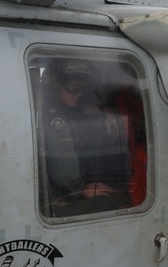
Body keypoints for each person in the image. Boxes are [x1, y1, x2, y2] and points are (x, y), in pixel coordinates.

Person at [39, 58, 131, 217]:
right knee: (126, 200)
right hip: (56, 201)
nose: (79, 94)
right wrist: (80, 190)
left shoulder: (54, 107)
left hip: (55, 192)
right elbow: (63, 164)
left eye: (82, 88)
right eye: (74, 88)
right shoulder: (55, 118)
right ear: (56, 86)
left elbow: (85, 110)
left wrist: (107, 112)